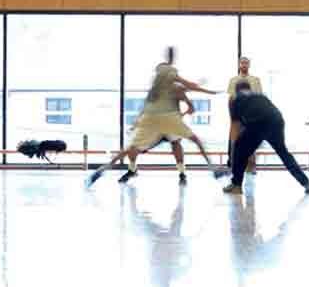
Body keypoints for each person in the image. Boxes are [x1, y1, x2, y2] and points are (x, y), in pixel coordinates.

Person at [88, 50, 224, 186]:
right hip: (168, 118)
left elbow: (147, 107)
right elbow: (190, 87)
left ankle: (101, 170)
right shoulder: (171, 76)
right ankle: (213, 169)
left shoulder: (157, 86)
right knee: (196, 141)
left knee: (131, 148)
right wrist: (210, 92)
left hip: (152, 119)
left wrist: (136, 123)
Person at [223, 88, 309, 195]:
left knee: (239, 148)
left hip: (259, 123)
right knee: (283, 153)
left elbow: (235, 129)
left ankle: (236, 185)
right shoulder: (258, 95)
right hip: (277, 120)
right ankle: (306, 183)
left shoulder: (235, 99)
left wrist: (232, 156)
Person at [227, 57, 265, 176]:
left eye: (246, 63)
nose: (244, 65)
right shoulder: (233, 80)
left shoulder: (255, 80)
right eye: (242, 63)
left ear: (249, 65)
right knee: (236, 141)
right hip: (238, 114)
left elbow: (260, 98)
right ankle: (235, 167)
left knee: (251, 141)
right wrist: (232, 117)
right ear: (239, 65)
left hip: (252, 115)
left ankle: (252, 167)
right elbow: (231, 99)